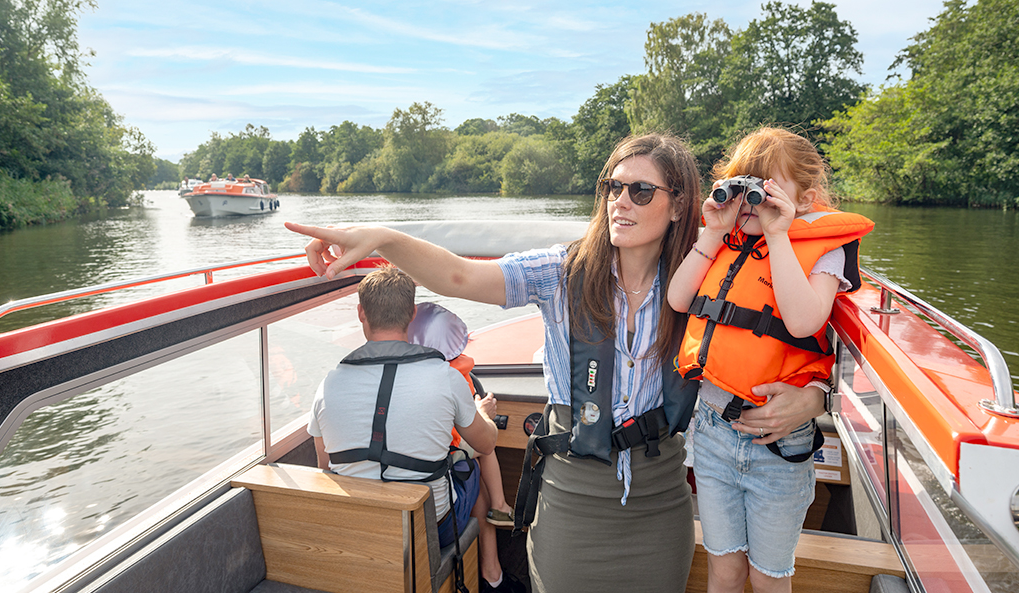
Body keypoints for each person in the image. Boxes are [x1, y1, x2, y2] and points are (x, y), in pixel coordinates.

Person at [287, 132, 827, 593]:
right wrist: (383, 238)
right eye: (613, 187)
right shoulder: (560, 272)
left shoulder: (706, 274)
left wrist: (814, 397)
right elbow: (460, 277)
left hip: (659, 502)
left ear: (680, 203)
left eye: (641, 191)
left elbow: (787, 337)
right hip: (572, 500)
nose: (621, 202)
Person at [668, 127, 873, 593]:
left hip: (777, 449)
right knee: (724, 570)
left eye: (765, 192)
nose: (750, 206)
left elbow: (802, 322)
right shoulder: (726, 239)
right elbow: (680, 299)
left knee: (767, 577)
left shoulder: (820, 252)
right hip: (715, 435)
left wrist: (780, 235)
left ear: (808, 198)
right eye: (743, 190)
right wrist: (714, 229)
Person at [307, 266, 498, 549]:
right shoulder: (446, 376)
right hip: (429, 527)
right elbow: (486, 443)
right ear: (412, 314)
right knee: (471, 470)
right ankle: (490, 575)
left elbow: (326, 467)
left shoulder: (328, 384)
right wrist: (483, 414)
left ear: (361, 313)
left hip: (358, 525)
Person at [408, 302, 523, 593]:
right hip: (438, 497)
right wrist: (484, 413)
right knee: (475, 462)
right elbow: (483, 440)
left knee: (466, 469)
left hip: (399, 500)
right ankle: (492, 566)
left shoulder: (400, 378)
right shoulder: (454, 379)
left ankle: (490, 572)